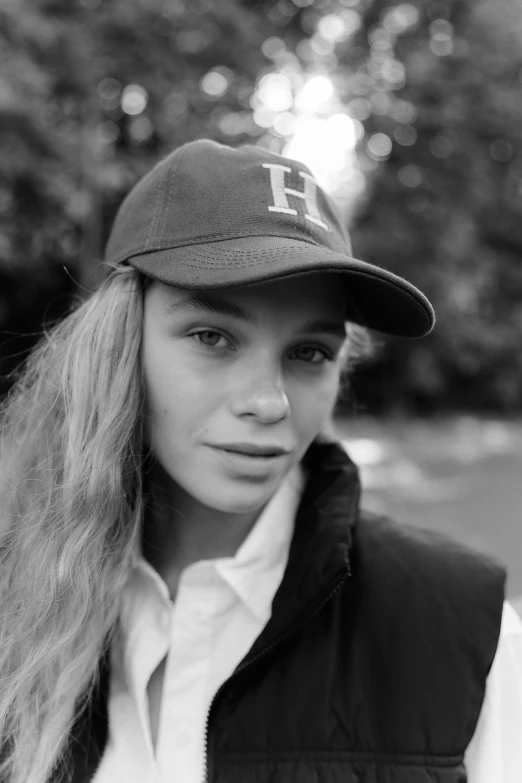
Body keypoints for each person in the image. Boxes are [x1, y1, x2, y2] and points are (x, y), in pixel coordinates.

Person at [0, 139, 520, 783]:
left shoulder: (461, 629)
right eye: (213, 337)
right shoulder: (15, 594)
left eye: (309, 353)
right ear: (118, 346)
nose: (269, 402)